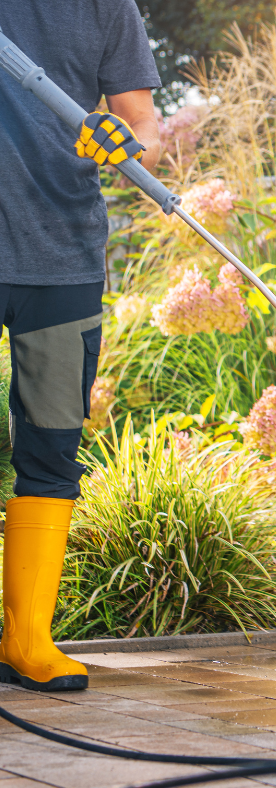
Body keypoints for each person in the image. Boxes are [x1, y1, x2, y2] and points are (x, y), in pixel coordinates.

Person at [0, 0, 162, 691]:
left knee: (52, 444)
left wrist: (122, 138)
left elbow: (140, 117)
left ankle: (26, 640)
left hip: (62, 256)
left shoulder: (105, 5)